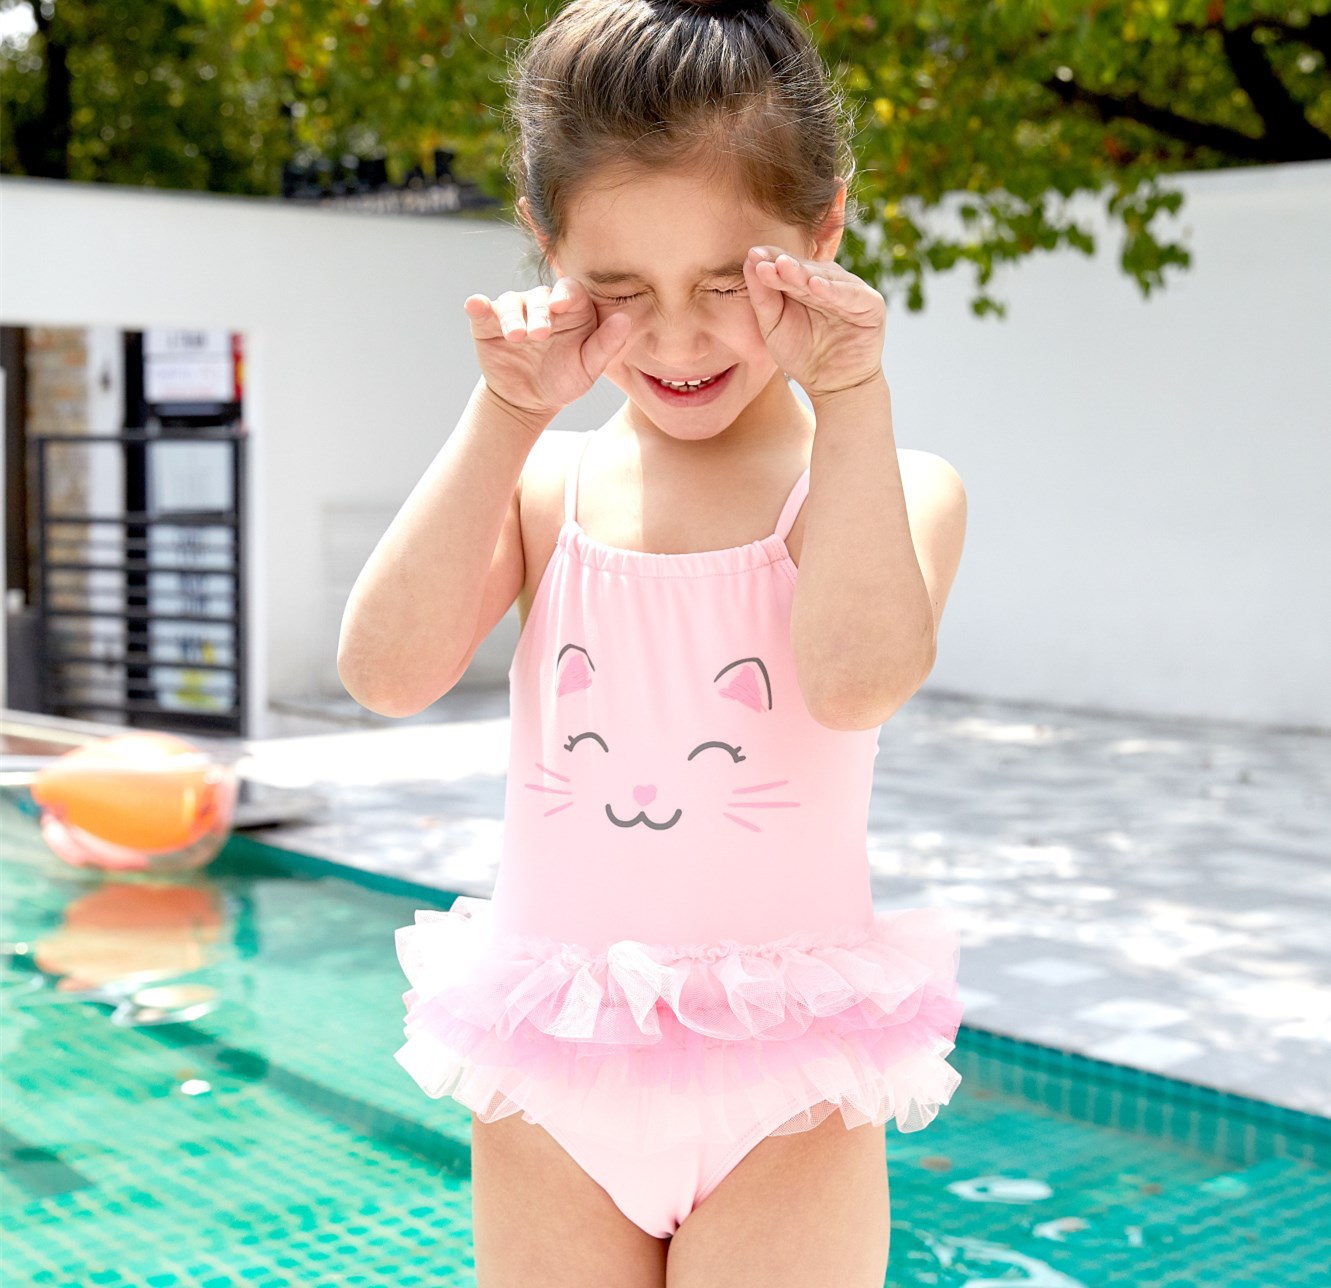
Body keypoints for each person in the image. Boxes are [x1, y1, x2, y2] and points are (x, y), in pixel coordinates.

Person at [338, 0, 969, 1282]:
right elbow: (385, 673)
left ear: (824, 230)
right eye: (620, 292)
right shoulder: (545, 487)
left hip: (786, 1082)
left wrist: (851, 394)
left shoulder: (890, 487)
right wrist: (503, 414)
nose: (677, 338)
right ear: (545, 247)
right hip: (557, 1068)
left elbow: (853, 684)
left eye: (728, 285)